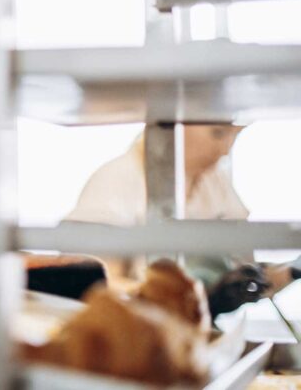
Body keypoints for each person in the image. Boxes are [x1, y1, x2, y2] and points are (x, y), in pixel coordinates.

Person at [66, 125, 299, 315]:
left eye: (234, 135)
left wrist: (290, 272)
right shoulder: (116, 182)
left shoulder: (215, 181)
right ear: (175, 124)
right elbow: (99, 289)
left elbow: (248, 270)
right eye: (218, 133)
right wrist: (196, 298)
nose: (226, 150)